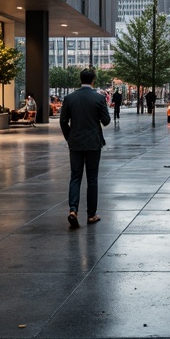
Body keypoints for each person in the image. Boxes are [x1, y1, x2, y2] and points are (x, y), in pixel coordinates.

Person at [60, 67, 112, 226]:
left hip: (75, 143)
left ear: (80, 79)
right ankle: (91, 215)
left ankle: (73, 210)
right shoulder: (98, 98)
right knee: (92, 178)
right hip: (93, 143)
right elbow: (106, 121)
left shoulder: (70, 98)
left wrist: (70, 138)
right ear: (93, 80)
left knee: (75, 177)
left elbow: (63, 122)